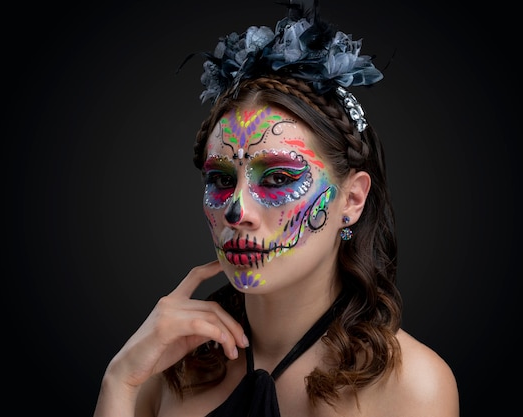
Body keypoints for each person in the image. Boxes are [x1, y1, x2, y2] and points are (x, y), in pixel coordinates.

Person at [93, 1, 459, 416]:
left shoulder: (412, 386)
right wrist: (119, 380)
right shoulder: (166, 367)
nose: (236, 211)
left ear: (352, 200)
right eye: (221, 180)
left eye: (279, 179)